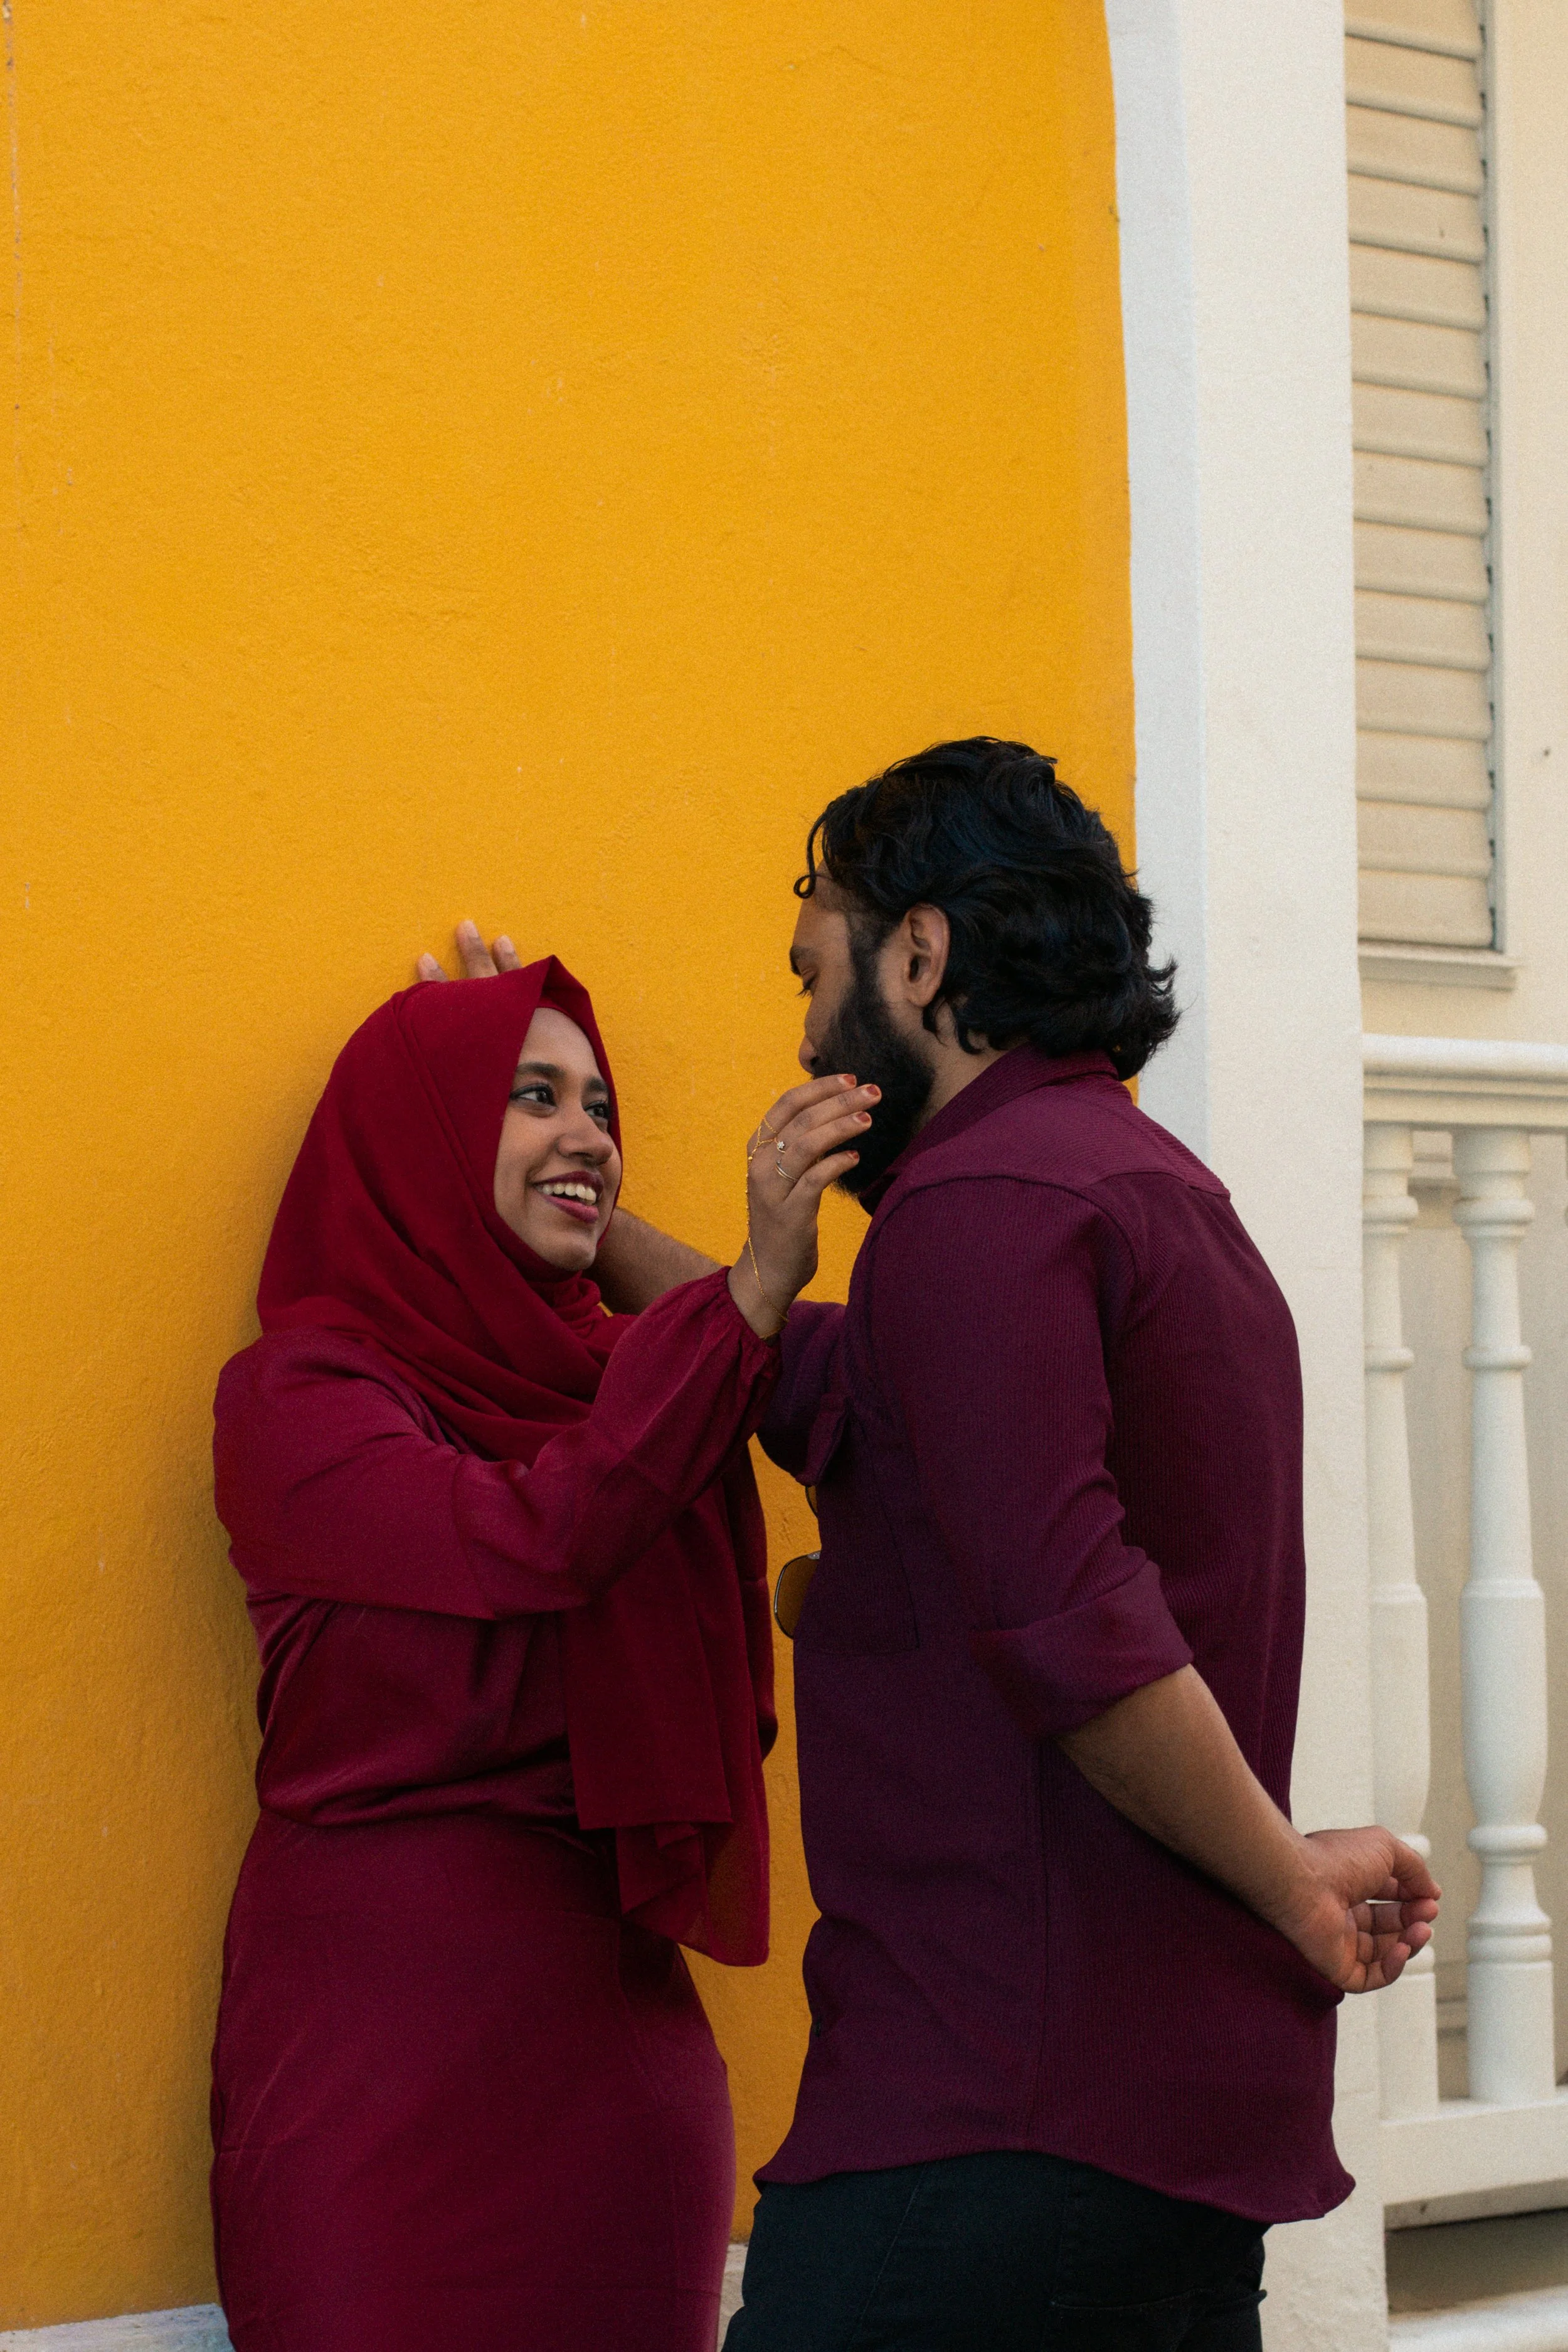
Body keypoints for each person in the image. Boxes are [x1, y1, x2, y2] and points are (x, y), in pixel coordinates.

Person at [455, 739, 1440, 2352]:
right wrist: (584, 1206)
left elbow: (1077, 1627)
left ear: (919, 956)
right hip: (1135, 2133)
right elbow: (836, 1385)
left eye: (814, 967)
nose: (799, 1028)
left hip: (989, 2126)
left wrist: (1289, 1895)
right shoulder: (1134, 1183)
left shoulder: (980, 1214)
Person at [208, 953, 879, 2352]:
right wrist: (749, 1283)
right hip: (369, 2077)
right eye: (524, 1097)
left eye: (598, 1104)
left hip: (615, 2067)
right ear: (426, 1140)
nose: (587, 1131)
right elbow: (538, 1541)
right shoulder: (299, 1400)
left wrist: (564, 1177)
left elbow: (818, 1414)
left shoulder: (629, 1379)